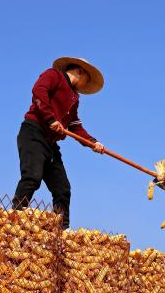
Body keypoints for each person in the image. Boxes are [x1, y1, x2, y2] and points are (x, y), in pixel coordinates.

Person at [12, 57, 106, 228]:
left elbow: (75, 126)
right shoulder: (54, 75)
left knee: (62, 188)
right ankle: (15, 217)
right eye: (87, 80)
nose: (86, 85)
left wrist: (93, 143)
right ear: (80, 71)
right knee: (32, 177)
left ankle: (60, 229)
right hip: (34, 132)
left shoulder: (74, 99)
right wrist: (50, 118)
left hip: (51, 143)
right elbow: (39, 91)